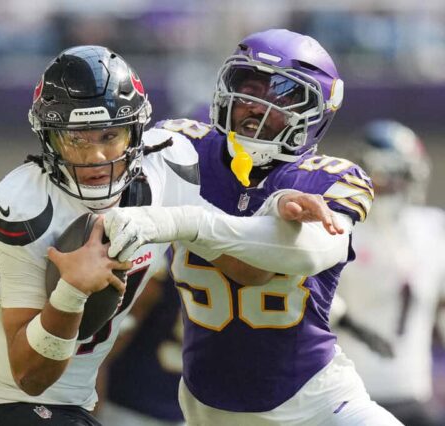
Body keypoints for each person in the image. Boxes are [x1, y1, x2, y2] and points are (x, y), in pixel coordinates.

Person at [0, 44, 346, 426]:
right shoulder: (23, 205)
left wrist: (274, 205)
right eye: (75, 138)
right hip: (2, 406)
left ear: (137, 131)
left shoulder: (167, 168)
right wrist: (71, 291)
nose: (95, 157)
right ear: (48, 138)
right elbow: (29, 377)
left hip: (74, 406)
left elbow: (248, 270)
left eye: (110, 136)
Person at [101, 29, 402, 425]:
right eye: (250, 87)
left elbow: (298, 254)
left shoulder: (331, 178)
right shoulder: (180, 145)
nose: (256, 106)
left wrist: (183, 221)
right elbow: (113, 204)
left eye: (281, 95)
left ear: (317, 113)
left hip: (316, 398)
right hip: (208, 408)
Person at [334, 120, 445, 426]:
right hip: (350, 396)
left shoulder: (432, 229)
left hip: (414, 393)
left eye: (394, 176)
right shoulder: (339, 230)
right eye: (378, 177)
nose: (385, 186)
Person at [96, 253, 185, 426]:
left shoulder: (170, 254)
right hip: (181, 403)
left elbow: (129, 318)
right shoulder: (236, 254)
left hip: (129, 399)